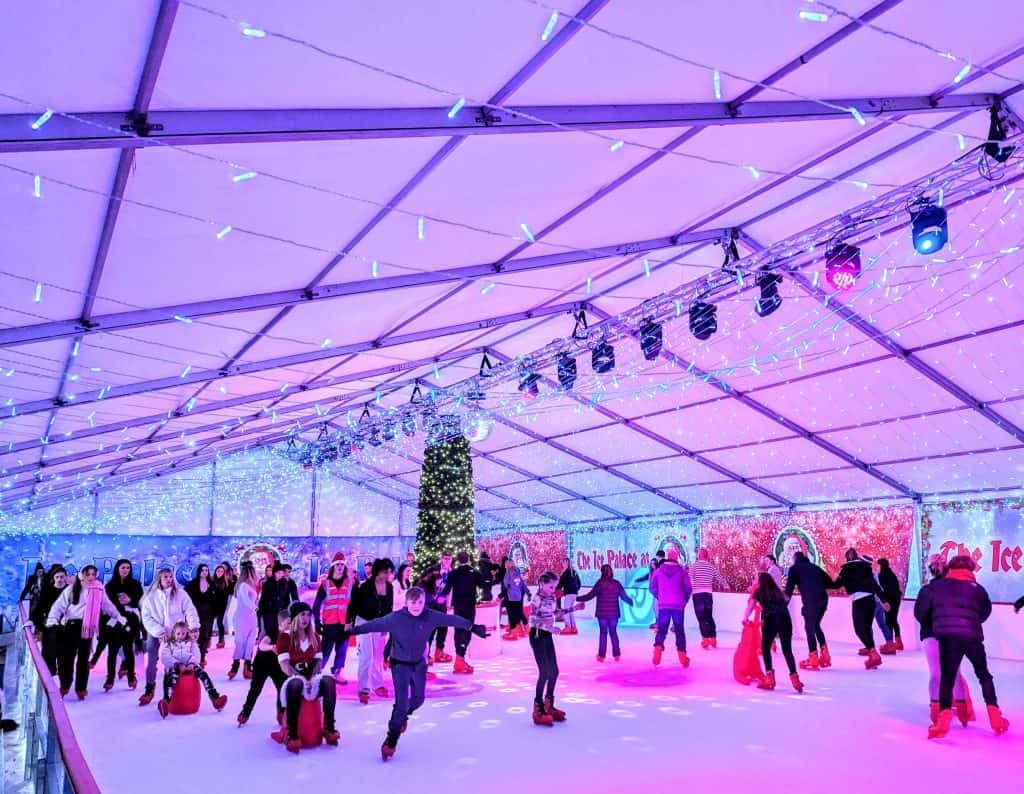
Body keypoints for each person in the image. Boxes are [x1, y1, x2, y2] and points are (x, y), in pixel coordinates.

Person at [348, 585, 488, 761]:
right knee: (400, 703)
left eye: (420, 602)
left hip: (419, 664)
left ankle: (405, 715)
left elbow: (451, 620)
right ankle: (392, 738)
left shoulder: (430, 615)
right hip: (399, 664)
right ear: (406, 603)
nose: (417, 606)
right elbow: (374, 624)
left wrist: (473, 627)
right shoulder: (396, 618)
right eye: (413, 602)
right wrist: (352, 631)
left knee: (418, 699)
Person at [916, 555, 1009, 738]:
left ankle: (943, 721)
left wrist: (938, 625)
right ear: (971, 569)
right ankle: (995, 717)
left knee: (947, 678)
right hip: (972, 636)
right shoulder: (978, 589)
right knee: (984, 675)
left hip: (948, 637)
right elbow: (985, 611)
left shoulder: (936, 587)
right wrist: (972, 621)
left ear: (949, 567)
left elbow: (921, 612)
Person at [46, 566, 128, 699]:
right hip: (70, 626)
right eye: (88, 574)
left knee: (83, 659)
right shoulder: (72, 588)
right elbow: (59, 605)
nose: (90, 577)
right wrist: (52, 619)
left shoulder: (99, 589)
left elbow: (107, 605)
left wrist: (118, 616)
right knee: (66, 658)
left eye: (93, 574)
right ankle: (65, 684)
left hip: (87, 628)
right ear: (82, 575)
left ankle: (81, 688)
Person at [916, 555, 974, 727]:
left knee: (936, 673)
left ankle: (936, 710)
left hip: (932, 634)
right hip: (953, 635)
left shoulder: (928, 590)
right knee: (954, 673)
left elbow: (919, 614)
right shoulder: (960, 589)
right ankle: (963, 712)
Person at [277, 602, 339, 753]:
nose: (306, 618)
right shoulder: (285, 638)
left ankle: (329, 728)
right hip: (293, 679)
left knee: (329, 680)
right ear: (295, 617)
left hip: (312, 678)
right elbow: (285, 665)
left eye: (308, 614)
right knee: (297, 683)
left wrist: (312, 678)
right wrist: (301, 678)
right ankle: (292, 735)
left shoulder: (315, 637)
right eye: (302, 614)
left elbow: (318, 662)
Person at [139, 566, 200, 706]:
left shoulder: (180, 594)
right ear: (159, 578)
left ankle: (171, 694)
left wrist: (194, 626)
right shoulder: (150, 596)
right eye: (165, 577)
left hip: (176, 634)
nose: (169, 579)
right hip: (156, 634)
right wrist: (159, 632)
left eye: (170, 576)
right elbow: (146, 617)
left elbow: (190, 610)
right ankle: (149, 689)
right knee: (151, 661)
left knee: (173, 662)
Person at [527, 572, 582, 727]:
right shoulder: (537, 598)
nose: (553, 589)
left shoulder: (552, 598)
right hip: (537, 635)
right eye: (551, 586)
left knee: (555, 671)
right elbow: (532, 619)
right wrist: (549, 627)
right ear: (541, 584)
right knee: (544, 672)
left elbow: (556, 613)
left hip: (546, 635)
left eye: (555, 586)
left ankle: (548, 705)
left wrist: (573, 608)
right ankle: (537, 708)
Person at [744, 572, 803, 693]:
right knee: (787, 650)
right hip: (785, 619)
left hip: (770, 620)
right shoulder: (777, 591)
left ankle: (770, 679)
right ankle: (795, 679)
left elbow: (750, 606)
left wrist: (745, 618)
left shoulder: (759, 592)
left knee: (765, 650)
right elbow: (786, 599)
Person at [830, 548, 889, 670]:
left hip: (859, 601)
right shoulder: (865, 568)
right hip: (870, 601)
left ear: (847, 558)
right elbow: (875, 585)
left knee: (859, 629)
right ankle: (873, 655)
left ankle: (873, 652)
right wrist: (884, 600)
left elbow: (836, 585)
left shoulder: (845, 570)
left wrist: (824, 579)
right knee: (866, 628)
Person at [156, 621, 227, 718]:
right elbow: (165, 656)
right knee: (171, 678)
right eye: (178, 634)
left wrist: (192, 663)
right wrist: (177, 664)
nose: (181, 636)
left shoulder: (191, 643)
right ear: (173, 633)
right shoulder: (169, 643)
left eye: (183, 633)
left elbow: (197, 654)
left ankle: (215, 698)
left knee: (203, 675)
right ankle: (166, 702)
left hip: (190, 666)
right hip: (175, 665)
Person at [347, 558, 394, 704]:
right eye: (386, 572)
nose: (388, 575)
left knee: (378, 656)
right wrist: (349, 622)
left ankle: (378, 684)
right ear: (378, 571)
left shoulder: (389, 587)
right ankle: (363, 688)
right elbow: (353, 604)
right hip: (364, 622)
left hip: (379, 624)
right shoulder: (365, 587)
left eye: (390, 572)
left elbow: (388, 608)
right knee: (366, 655)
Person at [238, 609, 291, 727]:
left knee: (282, 688)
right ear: (280, 624)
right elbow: (262, 645)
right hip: (262, 663)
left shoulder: (291, 635)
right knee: (255, 689)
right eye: (288, 623)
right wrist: (272, 647)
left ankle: (282, 713)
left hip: (278, 666)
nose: (290, 626)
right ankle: (245, 712)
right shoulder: (273, 632)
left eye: (292, 623)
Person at [784, 551, 835, 671]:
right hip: (823, 599)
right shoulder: (815, 567)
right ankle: (825, 655)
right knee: (816, 626)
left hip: (811, 601)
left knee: (809, 628)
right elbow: (831, 584)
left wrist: (782, 605)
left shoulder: (794, 569)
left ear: (795, 559)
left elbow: (788, 590)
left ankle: (813, 657)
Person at [98, 558, 143, 691]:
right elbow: (106, 604)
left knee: (128, 650)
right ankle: (110, 679)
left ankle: (131, 677)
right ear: (117, 569)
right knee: (112, 651)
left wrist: (130, 600)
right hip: (114, 622)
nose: (125, 570)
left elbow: (140, 601)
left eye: (128, 568)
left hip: (129, 621)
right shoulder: (110, 585)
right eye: (123, 567)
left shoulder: (135, 584)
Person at [440, 551, 487, 673]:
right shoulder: (474, 573)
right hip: (469, 607)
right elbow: (483, 585)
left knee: (458, 631)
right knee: (467, 630)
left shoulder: (453, 574)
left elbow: (446, 589)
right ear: (469, 559)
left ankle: (459, 659)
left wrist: (439, 599)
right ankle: (460, 659)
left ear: (457, 560)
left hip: (458, 608)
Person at [576, 564, 633, 662]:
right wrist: (631, 602)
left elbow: (590, 595)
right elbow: (624, 596)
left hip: (602, 613)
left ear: (602, 572)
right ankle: (617, 654)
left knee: (603, 633)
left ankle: (601, 656)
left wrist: (577, 598)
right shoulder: (616, 584)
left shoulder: (600, 584)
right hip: (614, 613)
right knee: (613, 633)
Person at [312, 552, 354, 683]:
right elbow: (317, 604)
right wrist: (317, 622)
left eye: (342, 564)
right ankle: (316, 672)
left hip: (345, 623)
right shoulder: (326, 584)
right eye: (338, 564)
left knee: (342, 649)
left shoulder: (351, 583)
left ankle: (337, 672)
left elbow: (355, 603)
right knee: (325, 650)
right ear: (333, 567)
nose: (340, 567)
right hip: (330, 623)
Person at [649, 549, 692, 667]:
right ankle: (682, 656)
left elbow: (652, 588)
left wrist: (660, 596)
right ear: (677, 557)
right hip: (678, 605)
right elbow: (688, 588)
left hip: (663, 605)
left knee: (662, 629)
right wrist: (684, 600)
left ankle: (658, 648)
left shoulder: (658, 571)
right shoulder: (682, 571)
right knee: (679, 630)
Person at [689, 549, 729, 650]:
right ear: (706, 556)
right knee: (708, 615)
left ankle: (706, 638)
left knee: (701, 617)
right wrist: (726, 586)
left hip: (697, 594)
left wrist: (688, 590)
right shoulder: (711, 567)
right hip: (708, 594)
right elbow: (719, 577)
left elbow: (689, 579)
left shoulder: (694, 566)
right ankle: (713, 637)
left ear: (699, 555)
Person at [35, 566, 68, 676]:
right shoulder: (48, 591)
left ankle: (62, 672)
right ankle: (50, 672)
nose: (59, 579)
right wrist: (39, 625)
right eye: (57, 577)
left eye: (62, 577)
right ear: (53, 578)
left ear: (65, 577)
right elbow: (39, 609)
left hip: (66, 626)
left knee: (64, 650)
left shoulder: (70, 591)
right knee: (49, 650)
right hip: (50, 625)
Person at [229, 562, 260, 680]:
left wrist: (256, 608)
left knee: (250, 641)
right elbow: (246, 600)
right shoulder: (242, 586)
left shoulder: (252, 586)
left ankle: (248, 665)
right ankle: (235, 665)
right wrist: (255, 607)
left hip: (251, 617)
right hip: (242, 617)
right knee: (240, 641)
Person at [863, 555, 897, 655]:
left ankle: (870, 647)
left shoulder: (867, 574)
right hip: (878, 601)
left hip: (871, 602)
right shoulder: (873, 572)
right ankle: (890, 643)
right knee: (882, 624)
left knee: (867, 624)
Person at [185, 564, 217, 667]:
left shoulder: (211, 584)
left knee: (205, 635)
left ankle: (202, 657)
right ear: (199, 571)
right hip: (195, 612)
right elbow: (186, 598)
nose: (204, 572)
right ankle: (193, 657)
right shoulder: (192, 584)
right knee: (194, 634)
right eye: (202, 570)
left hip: (208, 613)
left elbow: (215, 600)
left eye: (206, 570)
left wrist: (215, 612)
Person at [258, 563, 291, 643]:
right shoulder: (267, 584)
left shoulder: (285, 583)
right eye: (279, 573)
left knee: (279, 634)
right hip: (269, 612)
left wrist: (285, 610)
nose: (281, 575)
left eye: (282, 573)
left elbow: (287, 598)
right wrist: (261, 611)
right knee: (269, 633)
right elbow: (263, 599)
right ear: (274, 573)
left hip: (280, 613)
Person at [877, 558, 903, 651]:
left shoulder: (881, 575)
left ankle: (890, 643)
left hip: (889, 598)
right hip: (896, 598)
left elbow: (881, 589)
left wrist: (883, 600)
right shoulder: (892, 574)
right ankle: (898, 642)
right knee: (893, 619)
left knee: (888, 620)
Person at [502, 558, 530, 640]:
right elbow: (523, 585)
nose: (507, 565)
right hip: (517, 597)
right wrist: (528, 592)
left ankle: (514, 633)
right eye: (506, 564)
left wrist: (527, 592)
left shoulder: (509, 573)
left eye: (508, 563)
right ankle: (525, 630)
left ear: (511, 564)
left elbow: (506, 584)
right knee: (519, 614)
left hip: (512, 598)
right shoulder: (517, 573)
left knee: (512, 615)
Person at [556, 558, 582, 635]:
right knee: (570, 611)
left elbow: (560, 584)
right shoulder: (574, 572)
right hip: (574, 593)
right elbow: (579, 583)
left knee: (566, 611)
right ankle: (573, 627)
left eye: (564, 562)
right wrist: (576, 590)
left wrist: (555, 590)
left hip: (569, 593)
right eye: (563, 562)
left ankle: (568, 627)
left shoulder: (566, 572)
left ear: (567, 563)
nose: (563, 564)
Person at [211, 564, 232, 649]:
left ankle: (221, 640)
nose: (219, 573)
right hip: (212, 605)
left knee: (220, 622)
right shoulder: (211, 581)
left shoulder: (227, 582)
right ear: (215, 572)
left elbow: (230, 592)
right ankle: (208, 639)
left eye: (222, 571)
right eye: (218, 571)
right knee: (210, 623)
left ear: (224, 573)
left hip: (221, 605)